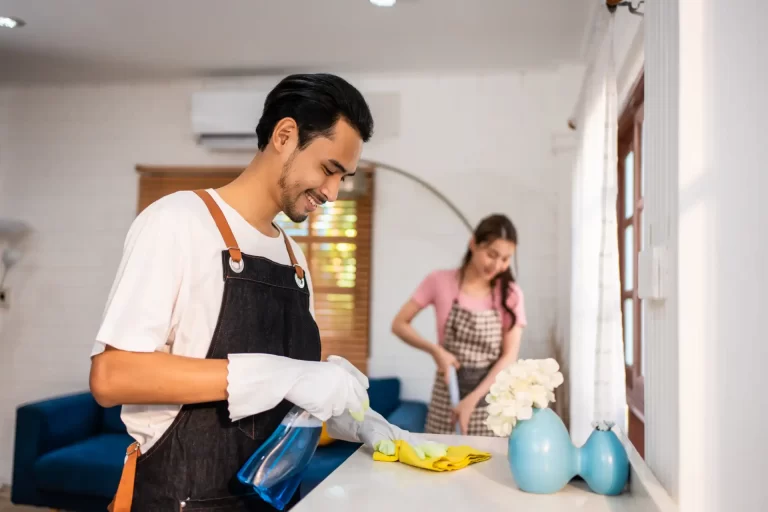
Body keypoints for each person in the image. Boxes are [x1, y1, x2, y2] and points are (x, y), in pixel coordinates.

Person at [89, 73, 388, 511]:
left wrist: (347, 413)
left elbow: (279, 399)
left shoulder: (294, 260)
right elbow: (112, 376)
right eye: (329, 170)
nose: (332, 193)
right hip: (180, 499)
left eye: (344, 178)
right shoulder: (178, 221)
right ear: (284, 135)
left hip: (271, 499)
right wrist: (284, 374)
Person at [391, 214, 527, 436]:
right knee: (440, 464)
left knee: (485, 468)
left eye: (505, 259)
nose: (497, 265)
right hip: (447, 397)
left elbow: (509, 356)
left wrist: (471, 401)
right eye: (491, 254)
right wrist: (436, 351)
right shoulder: (439, 281)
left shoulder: (511, 294)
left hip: (492, 401)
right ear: (473, 243)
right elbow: (399, 324)